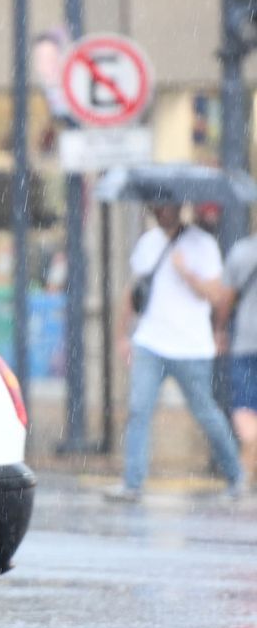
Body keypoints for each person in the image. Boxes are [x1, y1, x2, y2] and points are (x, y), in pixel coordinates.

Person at [107, 203, 246, 502]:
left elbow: (215, 294)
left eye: (165, 206)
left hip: (191, 347)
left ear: (178, 207)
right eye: (155, 206)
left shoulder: (203, 244)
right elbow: (134, 291)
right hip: (150, 342)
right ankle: (133, 483)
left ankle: (236, 477)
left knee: (206, 414)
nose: (160, 212)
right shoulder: (147, 243)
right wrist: (122, 335)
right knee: (138, 410)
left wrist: (187, 273)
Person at [215, 226, 257, 489]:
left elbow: (225, 299)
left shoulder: (242, 252)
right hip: (245, 345)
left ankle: (243, 476)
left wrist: (219, 329)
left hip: (246, 343)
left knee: (243, 409)